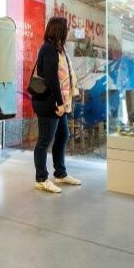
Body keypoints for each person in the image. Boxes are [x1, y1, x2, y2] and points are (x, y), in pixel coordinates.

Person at [31, 17, 82, 193]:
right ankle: (41, 178)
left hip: (61, 103)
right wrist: (60, 103)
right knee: (44, 140)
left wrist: (65, 102)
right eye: (65, 28)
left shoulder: (59, 49)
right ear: (59, 30)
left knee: (62, 135)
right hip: (50, 103)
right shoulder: (48, 49)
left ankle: (60, 173)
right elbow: (52, 79)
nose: (67, 31)